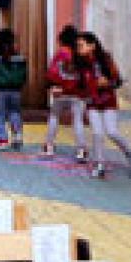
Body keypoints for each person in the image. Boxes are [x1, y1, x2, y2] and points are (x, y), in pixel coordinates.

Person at [74, 31, 131, 180]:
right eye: (77, 46)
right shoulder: (80, 64)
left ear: (92, 45)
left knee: (112, 132)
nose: (78, 49)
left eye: (81, 45)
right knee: (97, 133)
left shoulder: (105, 59)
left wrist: (108, 83)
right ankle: (99, 165)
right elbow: (78, 86)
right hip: (92, 103)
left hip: (107, 101)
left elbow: (118, 81)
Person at [41, 24, 86, 161]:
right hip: (77, 93)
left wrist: (51, 86)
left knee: (54, 117)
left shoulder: (60, 53)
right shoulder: (80, 54)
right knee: (77, 121)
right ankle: (81, 150)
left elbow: (52, 72)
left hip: (59, 92)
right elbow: (85, 75)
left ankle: (49, 146)